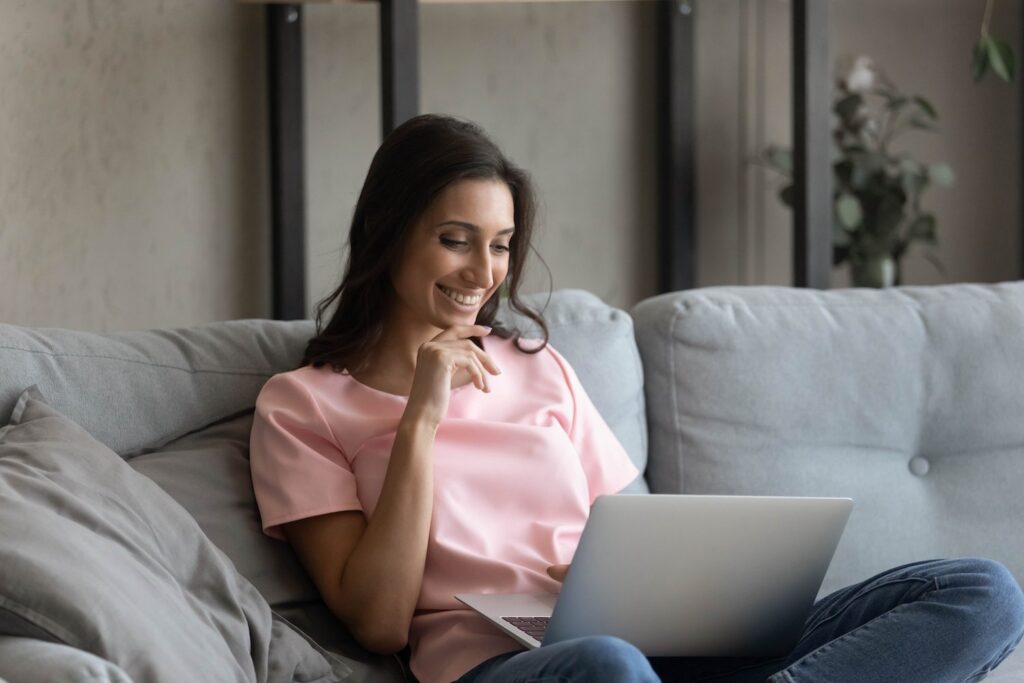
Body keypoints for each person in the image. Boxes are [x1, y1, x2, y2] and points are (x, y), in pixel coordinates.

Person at [248, 113, 1024, 683]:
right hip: (510, 665)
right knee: (609, 665)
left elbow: (635, 532)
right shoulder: (303, 406)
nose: (484, 272)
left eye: (502, 244)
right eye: (456, 238)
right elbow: (378, 619)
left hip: (651, 646)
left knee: (978, 591)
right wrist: (420, 417)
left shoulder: (538, 364)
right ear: (388, 232)